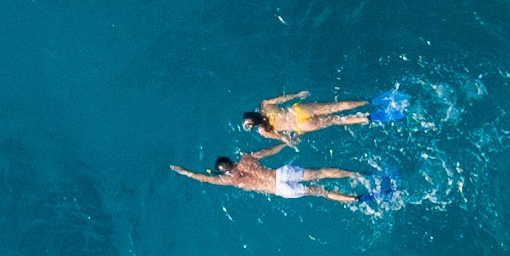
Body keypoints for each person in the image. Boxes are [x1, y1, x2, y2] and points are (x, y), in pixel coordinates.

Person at [174, 150, 397, 214]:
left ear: (222, 172)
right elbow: (268, 151)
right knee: (322, 172)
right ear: (231, 160)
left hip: (279, 189)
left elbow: (204, 178)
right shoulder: (245, 159)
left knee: (321, 192)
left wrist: (184, 172)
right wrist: (284, 143)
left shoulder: (230, 181)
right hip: (281, 174)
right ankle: (360, 175)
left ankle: (360, 199)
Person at [239, 87, 409, 147]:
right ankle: (370, 101)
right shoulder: (265, 106)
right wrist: (298, 95)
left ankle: (371, 118)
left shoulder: (263, 131)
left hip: (301, 126)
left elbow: (285, 139)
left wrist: (294, 139)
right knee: (335, 107)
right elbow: (283, 99)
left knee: (337, 120)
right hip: (299, 111)